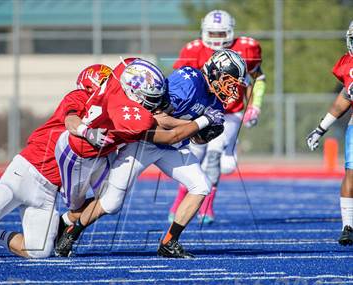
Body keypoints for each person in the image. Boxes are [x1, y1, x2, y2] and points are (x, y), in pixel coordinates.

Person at [56, 50, 247, 258]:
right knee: (111, 203)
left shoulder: (215, 102)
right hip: (145, 142)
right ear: (215, 72)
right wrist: (201, 122)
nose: (232, 88)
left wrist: (206, 133)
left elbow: (195, 138)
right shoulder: (189, 81)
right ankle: (71, 232)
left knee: (201, 186)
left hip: (173, 147)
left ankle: (169, 242)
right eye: (229, 81)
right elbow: (158, 118)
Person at [0, 64, 113, 258]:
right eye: (106, 84)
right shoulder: (79, 97)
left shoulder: (108, 115)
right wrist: (88, 132)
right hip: (26, 172)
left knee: (38, 252)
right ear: (90, 85)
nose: (110, 91)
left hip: (47, 191)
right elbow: (72, 121)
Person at [170, 9, 266, 223]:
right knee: (194, 154)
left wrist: (254, 106)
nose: (216, 39)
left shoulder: (246, 48)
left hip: (230, 113)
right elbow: (184, 82)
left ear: (231, 31)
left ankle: (207, 207)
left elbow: (257, 78)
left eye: (221, 33)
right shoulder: (194, 50)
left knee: (214, 156)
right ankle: (178, 202)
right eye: (212, 34)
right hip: (202, 111)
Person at [306, 21, 353, 246]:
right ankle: (348, 226)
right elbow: (344, 99)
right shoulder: (348, 65)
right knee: (351, 175)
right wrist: (320, 128)